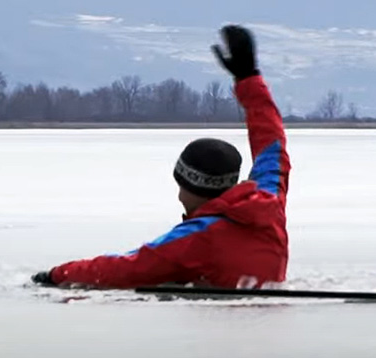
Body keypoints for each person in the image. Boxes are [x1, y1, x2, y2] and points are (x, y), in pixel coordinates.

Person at [30, 24, 291, 290]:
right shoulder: (268, 205)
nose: (179, 196)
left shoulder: (194, 238)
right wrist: (248, 77)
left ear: (193, 187)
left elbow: (123, 268)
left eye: (181, 187)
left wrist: (56, 275)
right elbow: (271, 143)